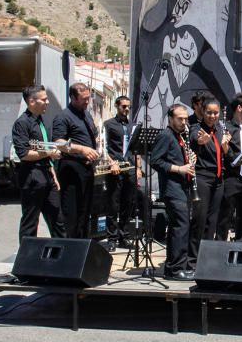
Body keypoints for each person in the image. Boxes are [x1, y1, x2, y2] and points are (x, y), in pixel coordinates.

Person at [11, 85, 66, 240]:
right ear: (31, 101)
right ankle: (27, 259)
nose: (47, 102)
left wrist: (52, 172)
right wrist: (48, 153)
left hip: (47, 175)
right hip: (32, 177)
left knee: (57, 219)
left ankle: (62, 254)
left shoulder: (42, 121)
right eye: (44, 99)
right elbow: (23, 154)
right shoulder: (22, 123)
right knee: (30, 221)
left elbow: (45, 151)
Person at [149, 104, 197, 280]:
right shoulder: (165, 135)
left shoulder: (180, 136)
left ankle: (174, 267)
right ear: (170, 119)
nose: (184, 122)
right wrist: (179, 168)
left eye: (185, 118)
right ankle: (176, 269)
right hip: (172, 189)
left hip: (182, 188)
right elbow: (155, 161)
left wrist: (191, 160)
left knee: (180, 227)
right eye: (180, 119)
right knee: (180, 227)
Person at [52, 83, 101, 238]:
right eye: (83, 99)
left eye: (88, 99)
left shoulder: (86, 114)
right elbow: (58, 142)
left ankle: (82, 244)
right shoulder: (63, 117)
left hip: (87, 169)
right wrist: (82, 149)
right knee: (71, 213)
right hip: (71, 169)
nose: (87, 102)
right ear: (73, 98)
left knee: (85, 212)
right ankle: (70, 247)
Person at [188, 96, 228, 264]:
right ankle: (192, 259)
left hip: (218, 178)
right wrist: (199, 142)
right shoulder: (197, 128)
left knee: (213, 220)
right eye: (209, 113)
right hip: (203, 177)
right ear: (202, 112)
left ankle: (207, 257)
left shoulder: (219, 128)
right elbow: (192, 141)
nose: (212, 116)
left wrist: (225, 146)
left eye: (215, 113)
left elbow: (224, 152)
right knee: (200, 219)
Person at [102, 95, 141, 247]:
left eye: (128, 107)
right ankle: (111, 238)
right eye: (123, 106)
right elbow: (104, 147)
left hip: (130, 168)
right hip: (115, 168)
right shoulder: (109, 124)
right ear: (117, 106)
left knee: (127, 203)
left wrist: (138, 168)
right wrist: (111, 163)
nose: (126, 110)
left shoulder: (132, 126)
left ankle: (123, 236)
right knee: (113, 204)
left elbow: (136, 149)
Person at [217, 93, 242, 242]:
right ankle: (220, 245)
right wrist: (225, 148)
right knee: (225, 214)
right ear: (239, 108)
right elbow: (225, 154)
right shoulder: (226, 128)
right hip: (232, 176)